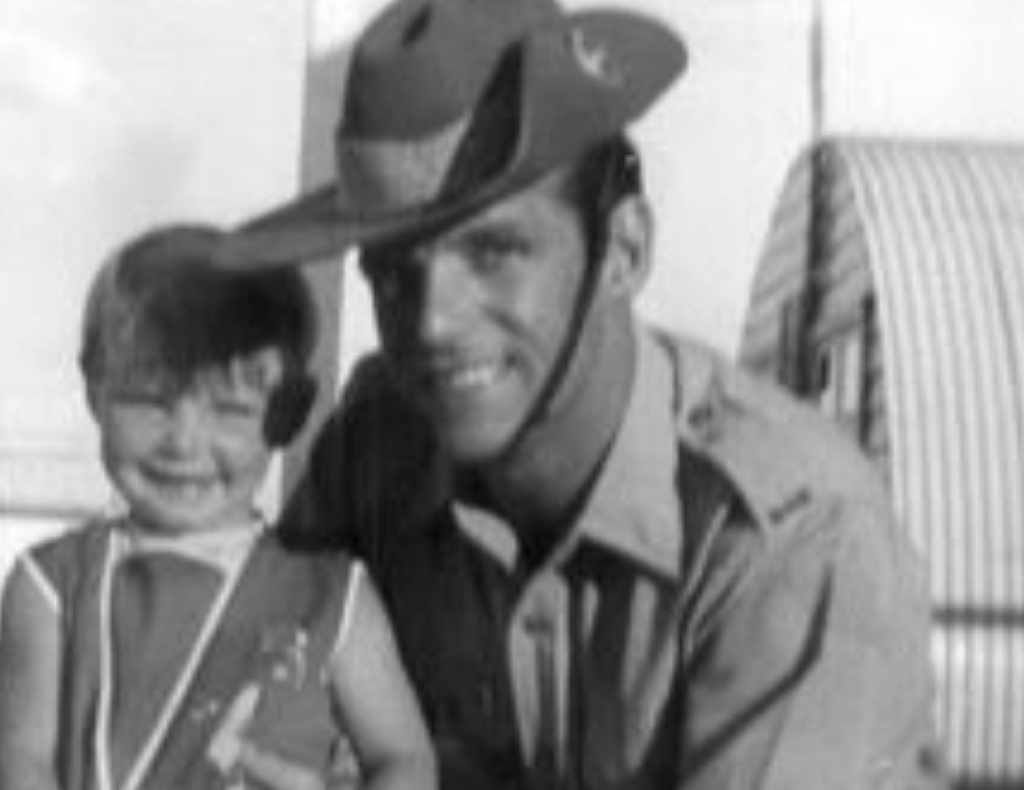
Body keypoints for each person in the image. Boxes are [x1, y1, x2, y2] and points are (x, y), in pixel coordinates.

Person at [214, 0, 945, 788]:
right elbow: (249, 707)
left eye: (493, 252)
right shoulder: (376, 452)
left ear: (624, 251)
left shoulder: (790, 537)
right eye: (393, 272)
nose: (431, 324)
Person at [0, 224, 437, 790]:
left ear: (291, 415)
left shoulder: (335, 596)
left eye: (230, 410)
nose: (183, 443)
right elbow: (23, 765)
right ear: (94, 390)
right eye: (149, 402)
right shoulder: (50, 587)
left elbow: (405, 759)